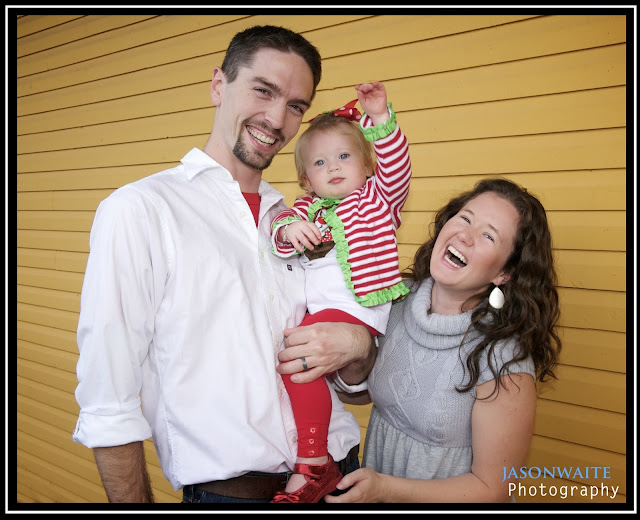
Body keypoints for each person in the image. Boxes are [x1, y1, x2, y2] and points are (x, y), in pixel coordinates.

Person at [72, 25, 376, 504]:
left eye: (296, 105)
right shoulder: (141, 210)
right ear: (218, 85)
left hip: (342, 476)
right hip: (234, 496)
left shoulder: (303, 220)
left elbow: (353, 387)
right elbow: (107, 402)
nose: (276, 119)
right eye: (263, 91)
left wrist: (358, 344)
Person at [323, 178, 562, 503]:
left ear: (504, 273)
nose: (465, 235)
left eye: (488, 235)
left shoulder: (503, 357)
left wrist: (385, 489)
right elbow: (367, 394)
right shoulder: (396, 300)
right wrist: (354, 355)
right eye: (465, 218)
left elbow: (494, 488)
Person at [268, 82, 412, 503]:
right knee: (301, 368)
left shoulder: (377, 199)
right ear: (306, 179)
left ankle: (313, 461)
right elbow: (279, 233)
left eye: (344, 157)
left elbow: (396, 169)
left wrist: (380, 119)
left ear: (367, 165)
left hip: (357, 306)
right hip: (325, 312)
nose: (333, 167)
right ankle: (315, 457)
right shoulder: (306, 209)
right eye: (319, 162)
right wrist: (289, 230)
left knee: (296, 359)